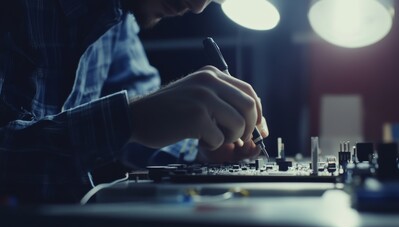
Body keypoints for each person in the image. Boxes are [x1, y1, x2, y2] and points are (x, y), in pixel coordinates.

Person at [0, 0, 269, 203]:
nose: (198, 6)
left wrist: (200, 148)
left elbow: (144, 109)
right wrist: (127, 120)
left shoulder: (117, 17)